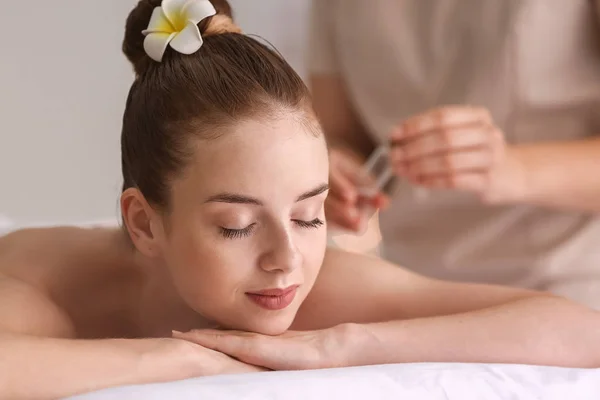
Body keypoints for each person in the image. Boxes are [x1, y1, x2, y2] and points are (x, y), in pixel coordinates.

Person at [0, 0, 599, 398]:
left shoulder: (321, 293)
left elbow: (580, 331)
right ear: (143, 222)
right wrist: (179, 361)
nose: (286, 258)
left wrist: (345, 343)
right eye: (236, 225)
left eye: (310, 214)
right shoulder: (48, 279)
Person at [310, 0, 600, 307]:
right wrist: (330, 175)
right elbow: (340, 133)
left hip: (566, 290)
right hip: (411, 290)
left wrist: (514, 168)